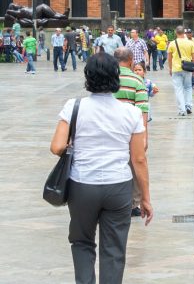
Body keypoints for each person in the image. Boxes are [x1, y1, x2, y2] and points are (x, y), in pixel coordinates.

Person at [49, 52, 152, 284]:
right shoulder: (132, 113)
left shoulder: (73, 107)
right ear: (116, 77)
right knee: (114, 249)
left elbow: (56, 147)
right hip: (118, 187)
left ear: (88, 77)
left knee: (82, 242)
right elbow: (138, 159)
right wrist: (145, 198)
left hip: (82, 185)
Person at [113, 47, 150, 218]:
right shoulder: (137, 80)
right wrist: (144, 136)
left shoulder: (107, 78)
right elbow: (142, 109)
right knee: (135, 165)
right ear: (130, 61)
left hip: (111, 130)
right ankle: (133, 204)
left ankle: (114, 199)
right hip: (131, 131)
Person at [167, 25, 194, 117]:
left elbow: (169, 58)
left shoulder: (172, 43)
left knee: (178, 89)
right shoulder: (190, 43)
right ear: (184, 33)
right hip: (187, 68)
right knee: (188, 87)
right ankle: (188, 106)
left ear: (176, 33)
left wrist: (170, 68)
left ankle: (182, 109)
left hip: (176, 68)